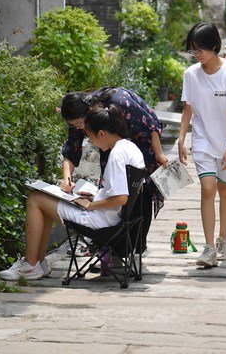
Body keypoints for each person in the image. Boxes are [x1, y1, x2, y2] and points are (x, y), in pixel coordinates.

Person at [0, 105, 146, 281]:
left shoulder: (116, 155)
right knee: (44, 201)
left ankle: (31, 264)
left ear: (101, 134)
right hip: (113, 217)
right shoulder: (130, 148)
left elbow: (121, 198)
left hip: (98, 220)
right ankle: (39, 262)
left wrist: (91, 205)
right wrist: (93, 197)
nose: (92, 143)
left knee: (35, 198)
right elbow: (124, 193)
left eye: (91, 138)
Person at [59, 87, 167, 249]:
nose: (79, 128)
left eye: (79, 124)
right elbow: (71, 149)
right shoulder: (82, 120)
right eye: (74, 125)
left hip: (140, 147)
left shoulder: (118, 101)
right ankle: (108, 249)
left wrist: (159, 153)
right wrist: (67, 179)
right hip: (111, 147)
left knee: (137, 195)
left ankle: (127, 245)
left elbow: (150, 126)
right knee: (111, 190)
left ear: (89, 111)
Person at [178, 22, 226, 268]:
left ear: (215, 46)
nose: (197, 54)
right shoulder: (191, 74)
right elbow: (187, 110)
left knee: (225, 190)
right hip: (203, 141)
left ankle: (222, 240)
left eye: (201, 49)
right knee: (208, 188)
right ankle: (208, 248)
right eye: (193, 50)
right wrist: (181, 138)